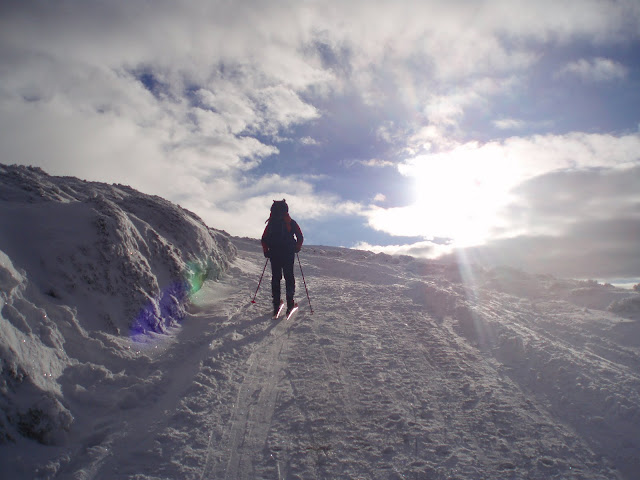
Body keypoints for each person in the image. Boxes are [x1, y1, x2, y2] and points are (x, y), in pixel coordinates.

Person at [261, 199, 303, 317]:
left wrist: (266, 251)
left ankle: (276, 304)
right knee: (289, 276)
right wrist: (297, 247)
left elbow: (264, 239)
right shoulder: (290, 222)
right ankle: (290, 303)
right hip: (288, 252)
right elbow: (300, 237)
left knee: (276, 277)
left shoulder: (271, 223)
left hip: (274, 253)